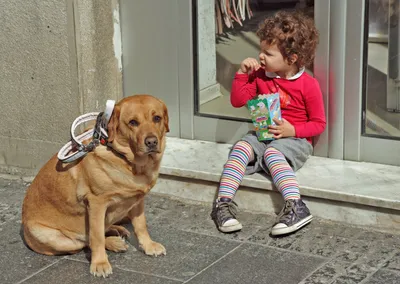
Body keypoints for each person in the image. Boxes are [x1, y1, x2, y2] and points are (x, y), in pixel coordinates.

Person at [210, 10, 326, 236]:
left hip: (295, 140)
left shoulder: (308, 85)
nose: (261, 56)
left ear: (291, 59)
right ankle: (222, 204)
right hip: (264, 135)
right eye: (260, 50)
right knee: (241, 147)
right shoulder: (260, 75)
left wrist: (293, 129)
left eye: (268, 53)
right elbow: (238, 100)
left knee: (273, 154)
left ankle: (296, 206)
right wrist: (242, 75)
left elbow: (318, 123)